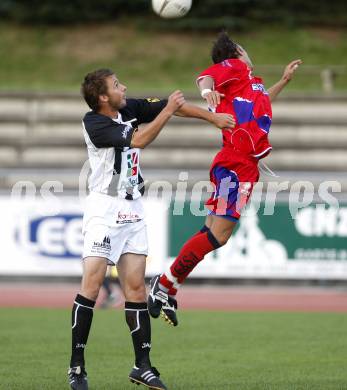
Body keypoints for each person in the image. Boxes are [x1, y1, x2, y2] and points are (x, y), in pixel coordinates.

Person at [67, 68, 235, 390]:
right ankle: (77, 368)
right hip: (103, 209)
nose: (124, 87)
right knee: (91, 285)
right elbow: (140, 139)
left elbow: (174, 105)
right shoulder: (95, 123)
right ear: (103, 97)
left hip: (132, 208)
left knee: (136, 290)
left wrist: (211, 119)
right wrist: (169, 111)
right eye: (117, 85)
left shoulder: (127, 108)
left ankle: (141, 366)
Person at [148, 31, 302, 327]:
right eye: (242, 48)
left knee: (210, 231)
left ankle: (169, 287)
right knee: (218, 235)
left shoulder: (249, 82)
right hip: (236, 163)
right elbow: (205, 78)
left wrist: (283, 81)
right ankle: (165, 283)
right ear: (235, 53)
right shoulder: (235, 67)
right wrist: (207, 94)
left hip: (240, 164)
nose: (246, 52)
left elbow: (263, 99)